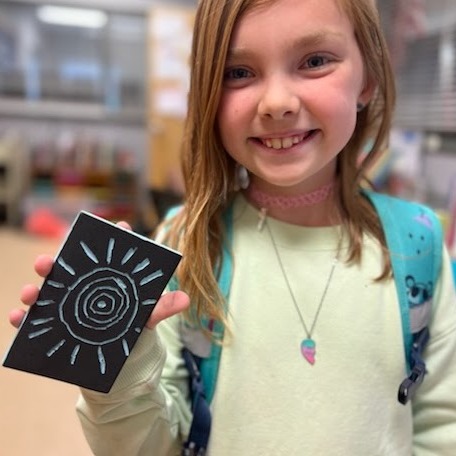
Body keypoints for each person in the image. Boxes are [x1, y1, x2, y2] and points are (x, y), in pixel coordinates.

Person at [10, 0, 456, 454]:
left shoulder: (417, 243)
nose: (277, 103)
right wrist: (119, 372)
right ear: (208, 92)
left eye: (315, 61)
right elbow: (150, 446)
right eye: (238, 72)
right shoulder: (186, 243)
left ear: (369, 79)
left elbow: (443, 423)